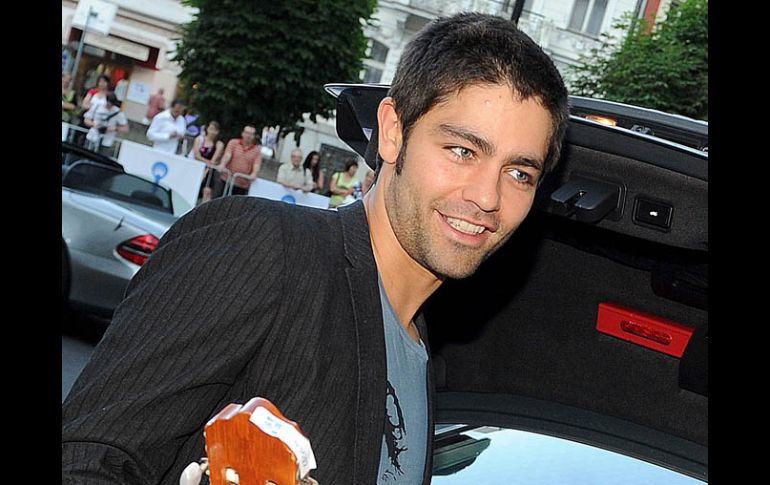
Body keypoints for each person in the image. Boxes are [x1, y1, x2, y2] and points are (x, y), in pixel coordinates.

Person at [62, 12, 569, 485]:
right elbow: (85, 461)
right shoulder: (265, 250)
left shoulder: (422, 361)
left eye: (519, 173)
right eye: (462, 150)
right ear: (393, 132)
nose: (486, 196)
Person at [215, 123, 262, 196]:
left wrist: (254, 174)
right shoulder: (233, 143)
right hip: (226, 179)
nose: (248, 136)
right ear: (242, 133)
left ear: (254, 136)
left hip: (242, 184)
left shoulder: (257, 151)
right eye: (247, 133)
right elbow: (228, 155)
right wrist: (222, 164)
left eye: (251, 134)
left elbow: (256, 164)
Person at [82, 92, 129, 156]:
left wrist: (114, 128)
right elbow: (86, 119)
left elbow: (126, 129)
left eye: (111, 105)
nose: (108, 106)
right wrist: (94, 124)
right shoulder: (97, 106)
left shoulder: (118, 113)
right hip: (92, 137)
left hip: (106, 141)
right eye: (107, 104)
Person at [191, 120, 225, 203]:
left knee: (207, 191)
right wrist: (206, 162)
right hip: (196, 167)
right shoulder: (199, 139)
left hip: (209, 170)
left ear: (217, 132)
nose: (212, 132)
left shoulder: (219, 144)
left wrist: (206, 170)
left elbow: (213, 160)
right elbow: (197, 156)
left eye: (215, 130)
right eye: (211, 129)